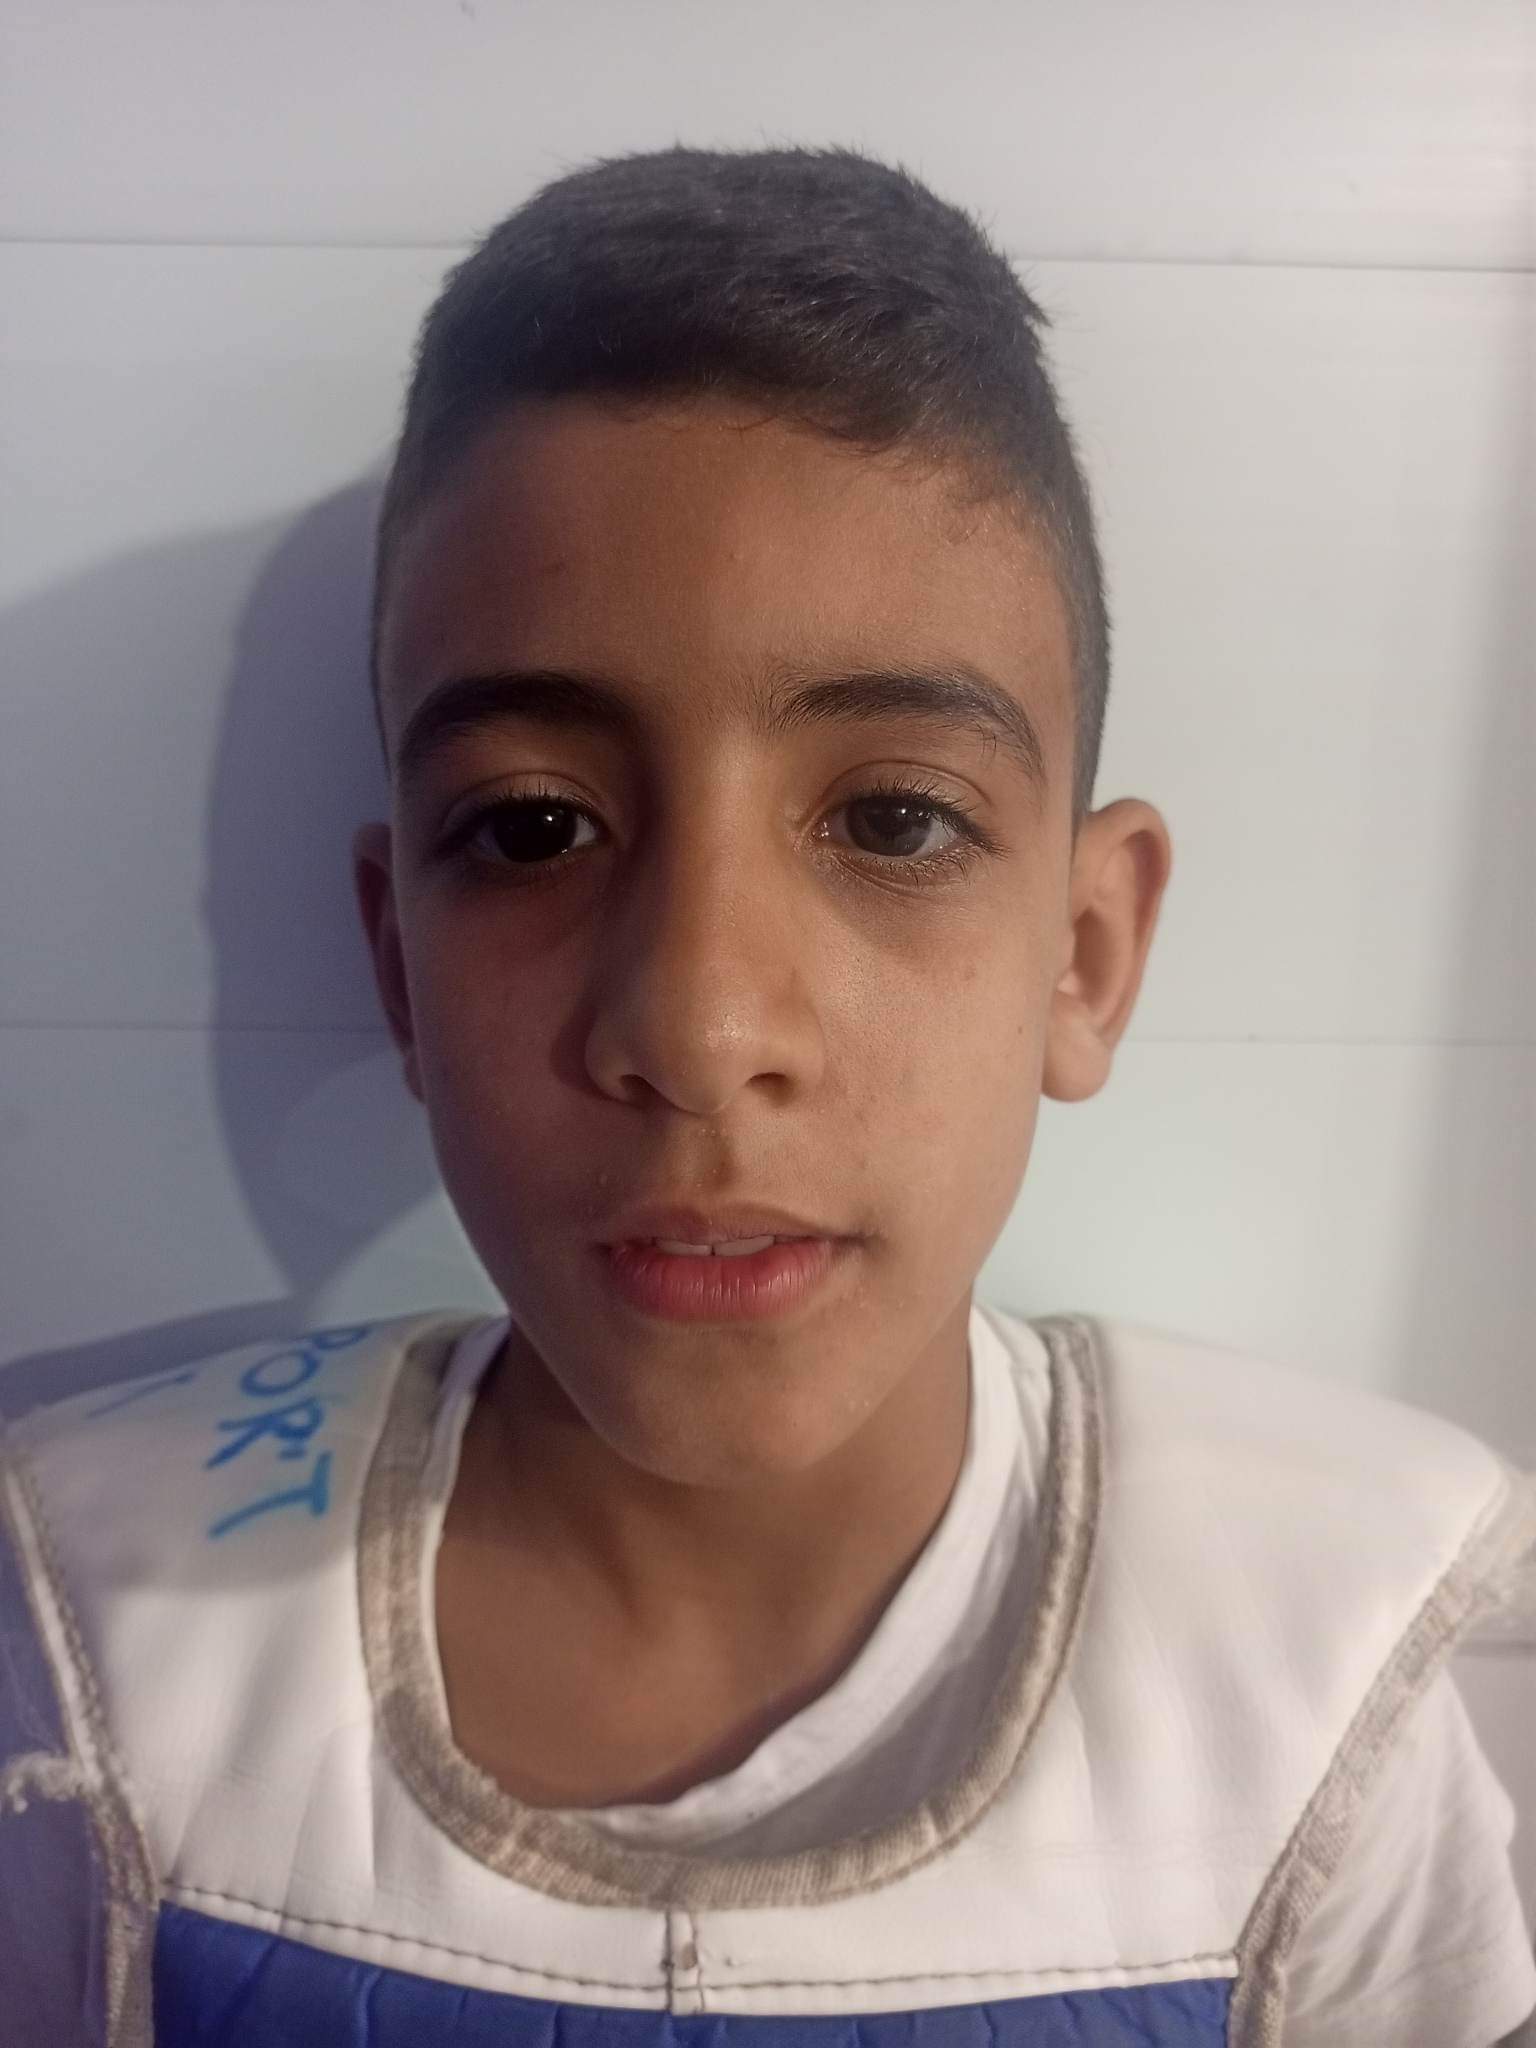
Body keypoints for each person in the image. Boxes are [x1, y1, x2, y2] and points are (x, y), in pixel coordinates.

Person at [1, 142, 1533, 2048]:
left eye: (894, 820)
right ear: (400, 964)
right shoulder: (103, 1666)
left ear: (1084, 954)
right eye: (534, 826)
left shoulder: (1309, 1691)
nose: (702, 1026)